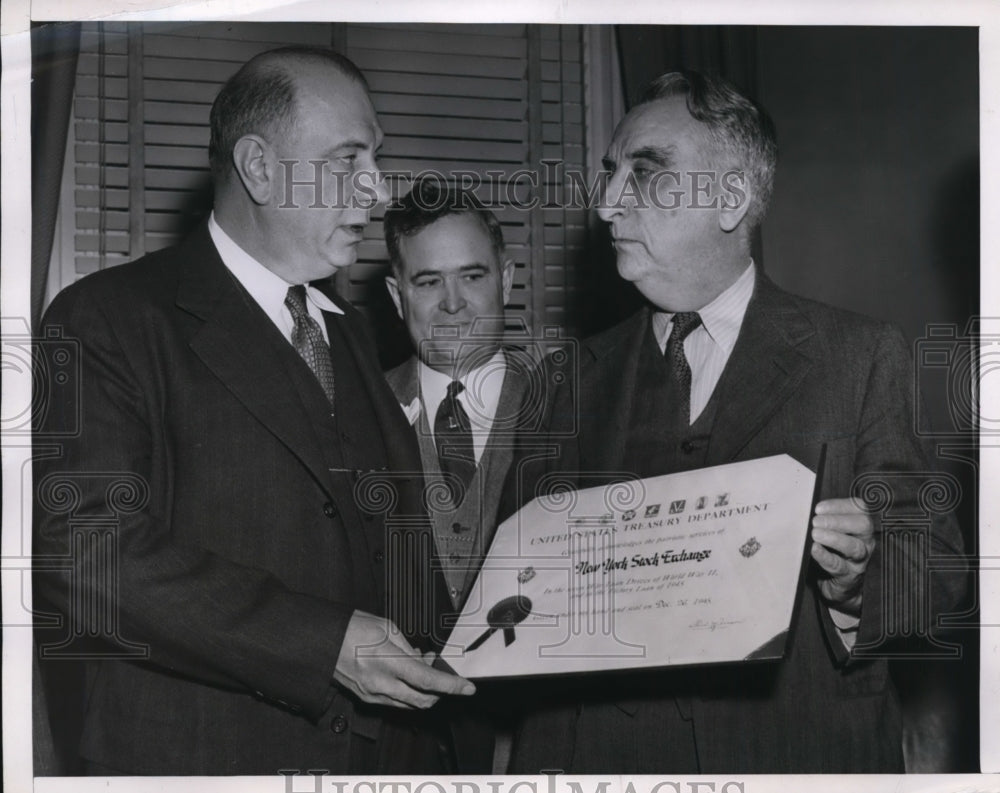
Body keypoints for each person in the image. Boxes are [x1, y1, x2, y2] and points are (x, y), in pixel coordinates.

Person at [505, 70, 967, 773]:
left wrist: (856, 583)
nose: (606, 204)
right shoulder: (562, 381)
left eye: (645, 173)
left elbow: (937, 568)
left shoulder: (860, 355)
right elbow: (510, 584)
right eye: (609, 173)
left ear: (731, 198)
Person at [32, 46, 473, 777]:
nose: (376, 190)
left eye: (377, 159)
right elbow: (87, 551)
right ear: (260, 168)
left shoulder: (347, 332)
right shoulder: (106, 316)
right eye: (348, 160)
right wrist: (324, 645)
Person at [382, 179, 529, 772]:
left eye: (472, 275)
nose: (452, 304)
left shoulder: (578, 405)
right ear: (398, 296)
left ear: (508, 280)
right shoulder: (347, 412)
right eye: (427, 281)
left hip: (534, 749)